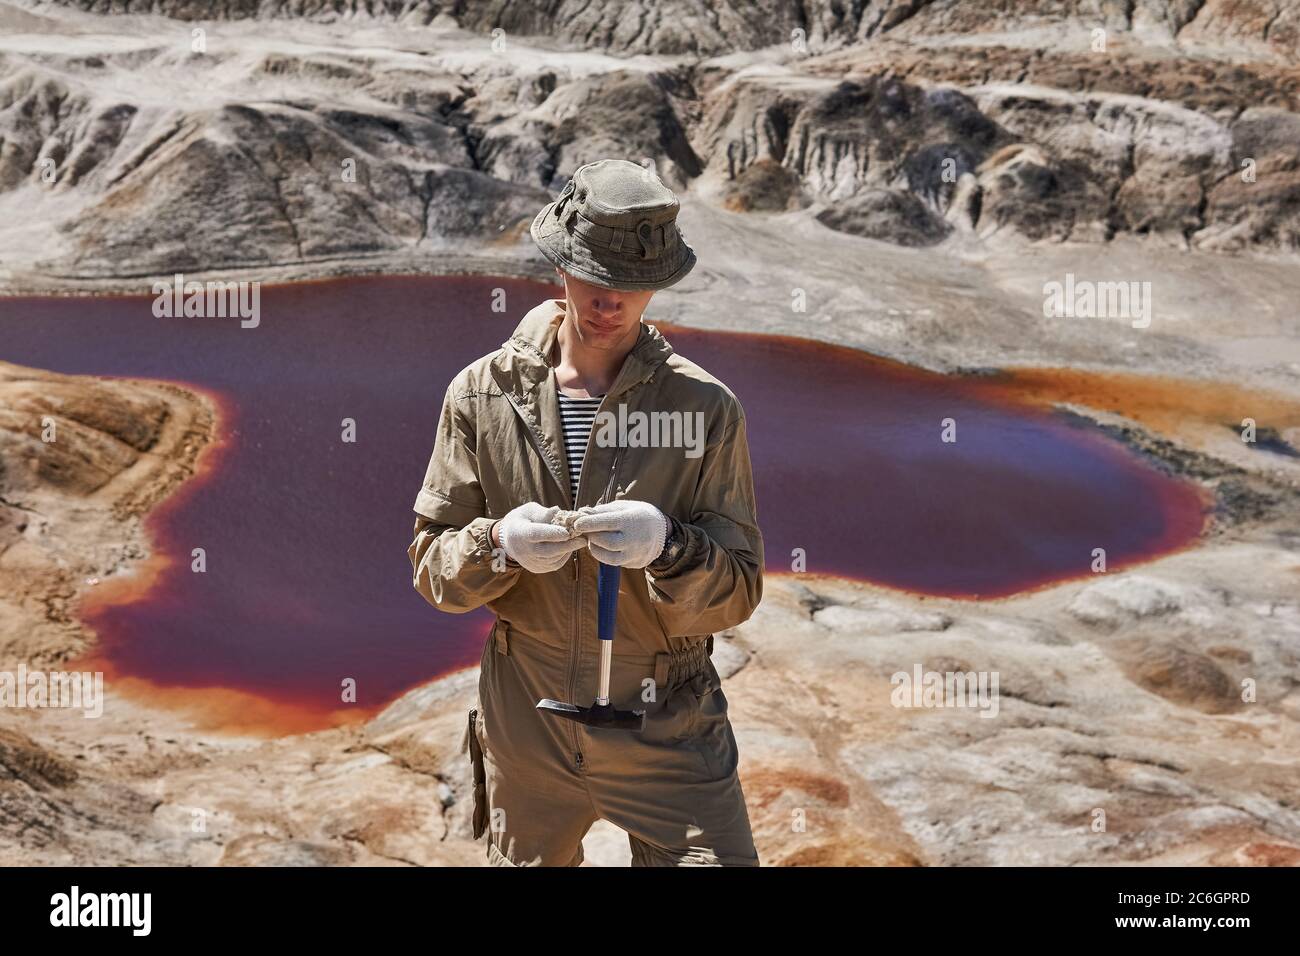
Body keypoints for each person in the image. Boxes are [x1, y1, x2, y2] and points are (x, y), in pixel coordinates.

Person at [408, 158, 764, 866]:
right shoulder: (481, 394)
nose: (613, 303)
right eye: (596, 280)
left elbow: (738, 592)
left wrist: (668, 546)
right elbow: (434, 572)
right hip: (526, 721)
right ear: (561, 268)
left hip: (666, 722)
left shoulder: (704, 408)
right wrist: (498, 544)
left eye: (633, 287)